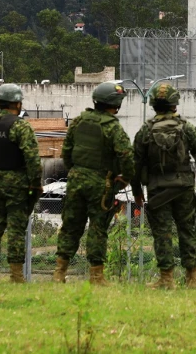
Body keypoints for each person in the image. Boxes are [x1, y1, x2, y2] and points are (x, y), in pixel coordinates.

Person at [130, 83, 196, 290]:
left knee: (163, 233)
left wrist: (137, 192)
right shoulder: (187, 128)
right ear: (175, 104)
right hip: (184, 188)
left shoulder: (145, 130)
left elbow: (134, 164)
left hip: (158, 189)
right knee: (188, 231)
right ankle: (192, 279)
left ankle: (166, 279)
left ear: (153, 105)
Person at [53, 82, 134, 285]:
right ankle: (96, 277)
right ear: (115, 104)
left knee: (71, 225)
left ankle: (59, 273)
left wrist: (76, 171)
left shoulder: (78, 121)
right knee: (98, 228)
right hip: (101, 183)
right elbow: (127, 156)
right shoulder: (112, 127)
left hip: (75, 180)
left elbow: (66, 154)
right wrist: (125, 178)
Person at [0, 84, 42, 284]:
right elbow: (32, 158)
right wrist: (35, 184)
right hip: (17, 184)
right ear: (17, 103)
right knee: (16, 229)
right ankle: (16, 276)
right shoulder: (20, 126)